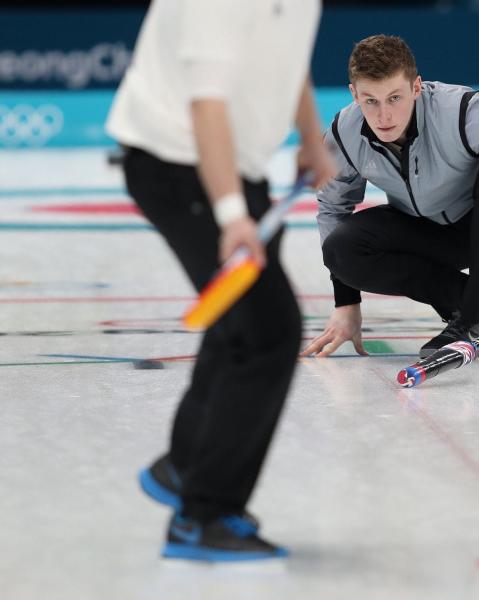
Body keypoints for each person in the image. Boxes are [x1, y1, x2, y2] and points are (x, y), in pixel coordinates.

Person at [106, 0, 334, 562]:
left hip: (234, 159)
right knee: (268, 332)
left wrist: (309, 135)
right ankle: (203, 515)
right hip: (175, 158)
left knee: (244, 322)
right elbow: (205, 103)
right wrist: (232, 213)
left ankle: (184, 466)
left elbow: (286, 58)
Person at [301, 34, 479, 360]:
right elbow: (333, 208)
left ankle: (473, 319)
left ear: (416, 88)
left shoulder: (466, 114)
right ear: (354, 95)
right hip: (435, 232)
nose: (383, 117)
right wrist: (346, 303)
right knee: (341, 247)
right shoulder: (344, 134)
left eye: (394, 98)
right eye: (371, 101)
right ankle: (464, 302)